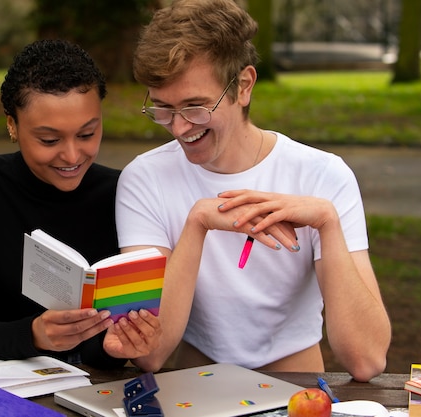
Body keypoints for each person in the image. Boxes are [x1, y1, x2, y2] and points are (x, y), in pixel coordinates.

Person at [114, 0, 391, 382]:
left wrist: (327, 223)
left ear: (243, 86)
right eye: (162, 108)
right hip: (195, 389)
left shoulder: (322, 175)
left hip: (298, 388)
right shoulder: (144, 179)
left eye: (195, 107)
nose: (178, 128)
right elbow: (151, 353)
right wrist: (197, 223)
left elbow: (367, 360)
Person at [0, 39, 160, 369]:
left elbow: (109, 346)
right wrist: (35, 334)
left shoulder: (123, 191)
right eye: (49, 140)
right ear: (12, 125)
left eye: (87, 134)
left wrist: (123, 344)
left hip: (91, 379)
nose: (71, 156)